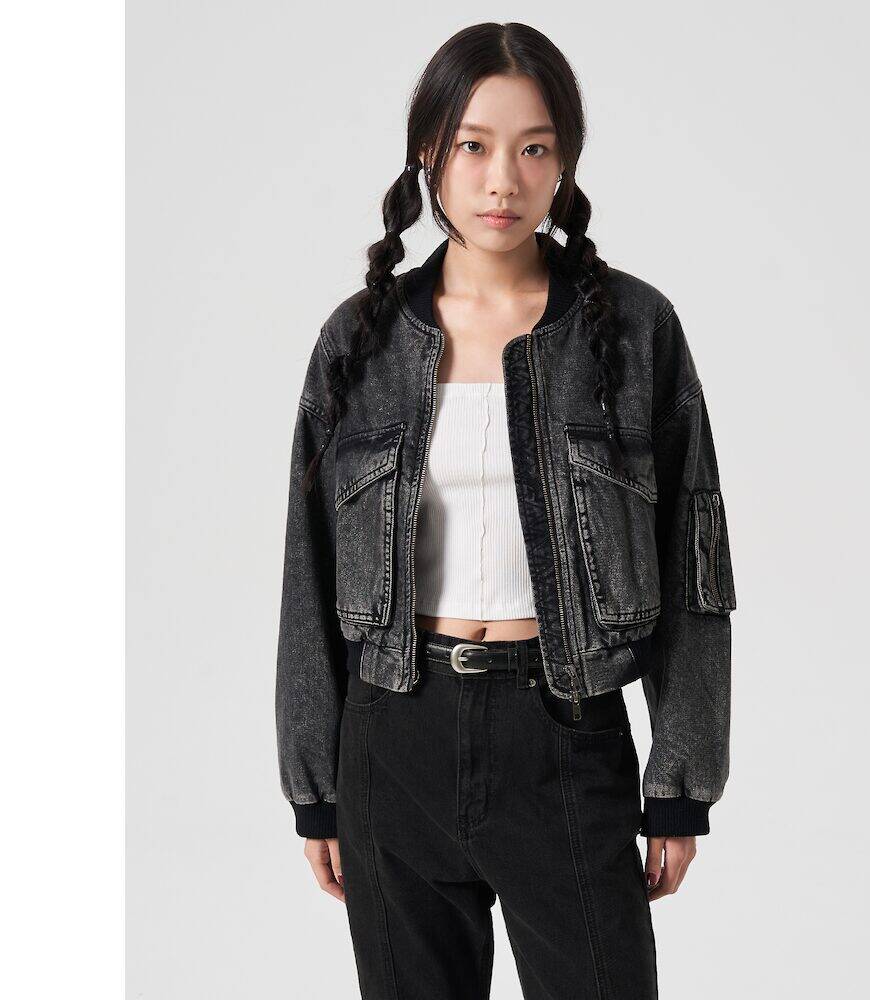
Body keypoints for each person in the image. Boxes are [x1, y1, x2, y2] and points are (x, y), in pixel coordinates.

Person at [275, 21, 736, 1000]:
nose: (502, 181)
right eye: (474, 146)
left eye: (534, 149)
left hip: (566, 737)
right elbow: (305, 572)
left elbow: (693, 563)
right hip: (392, 742)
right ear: (428, 153)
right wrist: (315, 788)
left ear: (564, 163)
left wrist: (680, 783)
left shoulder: (635, 330)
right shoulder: (358, 341)